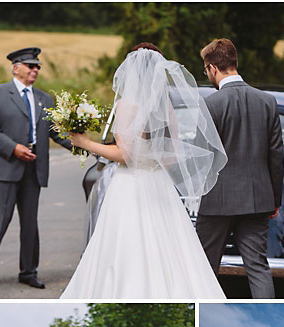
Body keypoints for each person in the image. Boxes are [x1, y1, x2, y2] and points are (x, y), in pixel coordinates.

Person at [62, 45, 227, 299]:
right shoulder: (165, 106)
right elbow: (170, 152)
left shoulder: (126, 105)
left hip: (130, 185)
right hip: (158, 183)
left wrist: (86, 144)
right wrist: (151, 158)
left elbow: (124, 155)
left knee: (124, 246)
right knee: (169, 246)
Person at [0, 47, 72, 289]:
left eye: (37, 66)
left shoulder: (44, 98)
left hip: (33, 171)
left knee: (30, 224)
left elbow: (54, 133)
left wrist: (84, 147)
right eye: (30, 65)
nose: (35, 69)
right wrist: (14, 148)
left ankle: (28, 272)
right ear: (15, 67)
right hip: (5, 167)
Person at [198, 38, 283, 299]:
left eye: (205, 70)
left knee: (204, 267)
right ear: (234, 63)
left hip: (216, 202)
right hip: (258, 200)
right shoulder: (267, 101)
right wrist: (275, 200)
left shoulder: (210, 104)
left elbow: (201, 156)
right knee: (258, 267)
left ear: (212, 68)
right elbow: (276, 155)